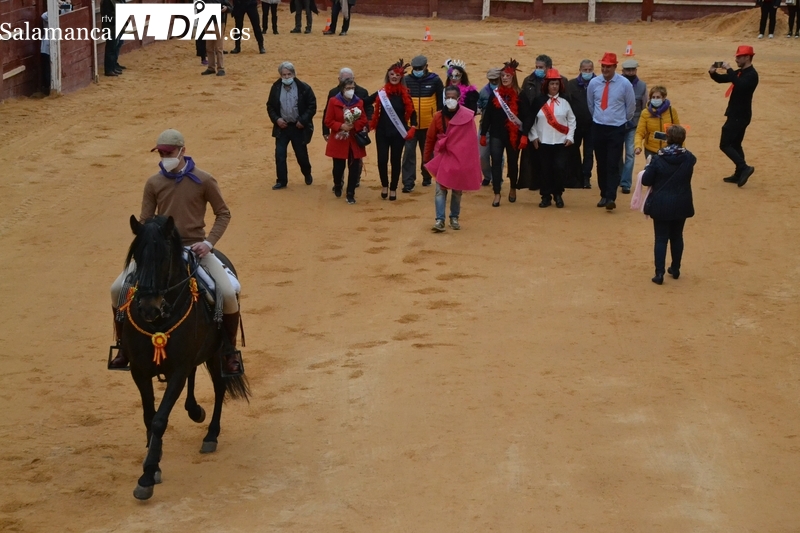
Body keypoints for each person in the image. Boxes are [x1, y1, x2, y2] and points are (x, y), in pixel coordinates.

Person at [109, 129, 243, 375]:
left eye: (168, 153)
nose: (164, 157)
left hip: (195, 248)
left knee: (227, 292)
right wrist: (150, 242)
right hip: (160, 250)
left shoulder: (204, 180)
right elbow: (146, 220)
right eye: (161, 153)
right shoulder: (153, 183)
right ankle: (123, 347)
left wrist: (208, 243)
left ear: (182, 150)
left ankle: (229, 351)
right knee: (117, 289)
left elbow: (223, 213)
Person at [641, 125, 695, 285]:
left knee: (661, 238)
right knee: (677, 236)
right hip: (681, 202)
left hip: (661, 203)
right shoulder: (689, 158)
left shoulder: (658, 159)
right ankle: (675, 268)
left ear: (667, 139)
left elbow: (646, 180)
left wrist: (648, 166)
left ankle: (659, 273)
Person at [424, 85, 482, 232]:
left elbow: (470, 142)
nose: (450, 100)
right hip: (442, 156)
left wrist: (469, 162)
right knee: (440, 189)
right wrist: (426, 159)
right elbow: (430, 138)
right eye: (447, 97)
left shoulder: (467, 117)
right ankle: (440, 220)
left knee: (457, 189)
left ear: (459, 99)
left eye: (453, 97)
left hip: (459, 158)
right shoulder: (438, 116)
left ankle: (454, 217)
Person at [479, 58, 531, 207]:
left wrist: (525, 135)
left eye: (508, 76)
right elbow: (487, 115)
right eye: (503, 76)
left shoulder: (521, 95)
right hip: (496, 133)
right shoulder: (495, 95)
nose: (505, 78)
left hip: (514, 135)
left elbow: (527, 117)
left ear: (513, 77)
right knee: (495, 162)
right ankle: (497, 192)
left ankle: (513, 187)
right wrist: (483, 134)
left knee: (513, 163)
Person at [587, 52, 635, 211]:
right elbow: (591, 104)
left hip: (616, 128)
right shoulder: (594, 83)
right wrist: (599, 118)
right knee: (601, 162)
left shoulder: (624, 84)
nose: (605, 69)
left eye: (608, 67)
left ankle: (610, 196)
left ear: (615, 67)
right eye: (603, 66)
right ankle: (603, 194)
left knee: (613, 163)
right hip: (598, 127)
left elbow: (631, 107)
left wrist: (621, 120)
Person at [708, 45, 759, 186]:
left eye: (739, 57)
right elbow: (722, 79)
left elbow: (740, 84)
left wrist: (729, 69)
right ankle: (739, 173)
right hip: (738, 114)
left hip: (739, 115)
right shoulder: (742, 72)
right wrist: (712, 72)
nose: (736, 59)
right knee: (735, 144)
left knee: (725, 144)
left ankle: (744, 168)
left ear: (747, 57)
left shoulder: (752, 75)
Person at [369, 59, 417, 201]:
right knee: (382, 160)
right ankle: (384, 185)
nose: (394, 77)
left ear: (401, 77)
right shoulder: (381, 93)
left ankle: (393, 188)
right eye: (392, 74)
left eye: (397, 74)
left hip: (398, 133)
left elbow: (413, 113)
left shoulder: (405, 94)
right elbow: (365, 101)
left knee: (395, 160)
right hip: (382, 132)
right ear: (388, 76)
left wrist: (413, 127)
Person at [528, 69, 576, 208]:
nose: (554, 86)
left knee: (559, 168)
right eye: (552, 84)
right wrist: (534, 137)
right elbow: (531, 121)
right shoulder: (539, 101)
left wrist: (570, 136)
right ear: (546, 85)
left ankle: (558, 194)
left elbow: (572, 120)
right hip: (543, 141)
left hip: (561, 142)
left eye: (556, 84)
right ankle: (545, 196)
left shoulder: (565, 101)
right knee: (545, 170)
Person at [266, 61, 317, 189]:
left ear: (294, 74)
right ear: (280, 75)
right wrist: (277, 119)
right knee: (280, 155)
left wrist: (302, 121)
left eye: (289, 74)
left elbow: (312, 106)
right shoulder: (276, 88)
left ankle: (307, 173)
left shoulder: (303, 88)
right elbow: (270, 106)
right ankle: (281, 181)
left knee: (301, 155)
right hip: (282, 127)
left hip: (297, 127)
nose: (287, 77)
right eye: (284, 75)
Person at [401, 55, 444, 192]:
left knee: (428, 152)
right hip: (411, 125)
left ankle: (427, 176)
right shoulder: (406, 80)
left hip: (429, 125)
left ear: (426, 67)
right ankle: (408, 182)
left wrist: (439, 123)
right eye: (415, 68)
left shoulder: (435, 80)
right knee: (409, 153)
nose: (417, 70)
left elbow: (441, 103)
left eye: (420, 68)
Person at [324, 79, 368, 204]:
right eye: (348, 88)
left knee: (354, 168)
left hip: (354, 140)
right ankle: (338, 184)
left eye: (352, 88)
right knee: (338, 167)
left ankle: (350, 193)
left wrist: (354, 126)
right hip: (339, 139)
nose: (351, 91)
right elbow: (328, 121)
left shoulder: (359, 102)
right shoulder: (333, 101)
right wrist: (341, 126)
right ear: (342, 89)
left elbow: (363, 119)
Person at [619, 59, 648, 194]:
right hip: (617, 124)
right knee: (617, 154)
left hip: (633, 125)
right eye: (628, 70)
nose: (630, 72)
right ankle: (620, 177)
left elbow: (644, 107)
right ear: (623, 71)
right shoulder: (617, 84)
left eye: (632, 70)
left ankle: (625, 183)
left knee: (630, 154)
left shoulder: (642, 86)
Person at [566, 59, 595, 189]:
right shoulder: (571, 84)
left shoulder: (598, 83)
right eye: (585, 70)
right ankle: (575, 177)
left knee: (589, 152)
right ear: (580, 70)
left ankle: (586, 177)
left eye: (590, 70)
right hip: (576, 125)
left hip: (592, 125)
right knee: (573, 150)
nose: (587, 72)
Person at [634, 86, 680, 159]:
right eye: (653, 97)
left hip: (668, 149)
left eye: (658, 97)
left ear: (664, 98)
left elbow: (678, 133)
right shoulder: (645, 113)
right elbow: (639, 132)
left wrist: (681, 148)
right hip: (651, 150)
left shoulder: (672, 111)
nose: (655, 99)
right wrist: (638, 146)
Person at [477, 68, 503, 187]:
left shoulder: (506, 91)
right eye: (491, 79)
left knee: (498, 155)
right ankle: (487, 176)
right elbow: (478, 105)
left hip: (500, 128)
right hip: (485, 128)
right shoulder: (483, 92)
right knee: (482, 155)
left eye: (495, 79)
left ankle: (497, 177)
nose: (493, 82)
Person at [201, 0, 232, 76]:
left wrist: (227, 8)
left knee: (218, 47)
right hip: (208, 22)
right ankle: (211, 67)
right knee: (209, 47)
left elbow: (231, 7)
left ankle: (221, 68)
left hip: (218, 23)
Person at [100, 0, 123, 77]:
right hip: (111, 27)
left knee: (116, 46)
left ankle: (113, 66)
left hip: (116, 26)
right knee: (111, 48)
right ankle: (109, 69)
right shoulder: (107, 1)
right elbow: (107, 17)